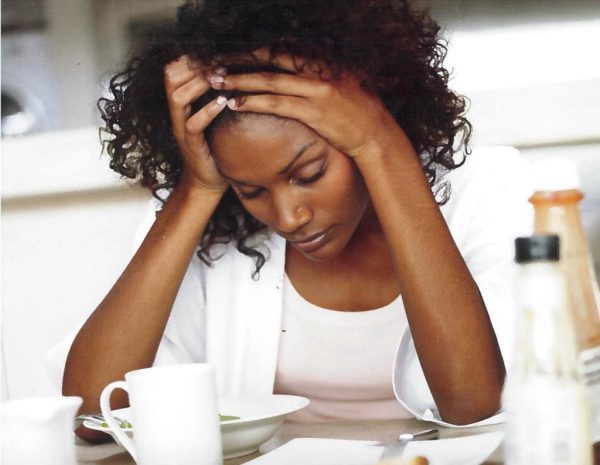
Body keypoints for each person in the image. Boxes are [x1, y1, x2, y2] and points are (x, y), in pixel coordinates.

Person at [56, 0, 531, 442]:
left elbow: (473, 405)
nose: (289, 217)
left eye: (309, 174)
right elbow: (90, 419)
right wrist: (197, 190)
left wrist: (380, 144)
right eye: (251, 190)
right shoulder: (209, 216)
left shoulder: (483, 186)